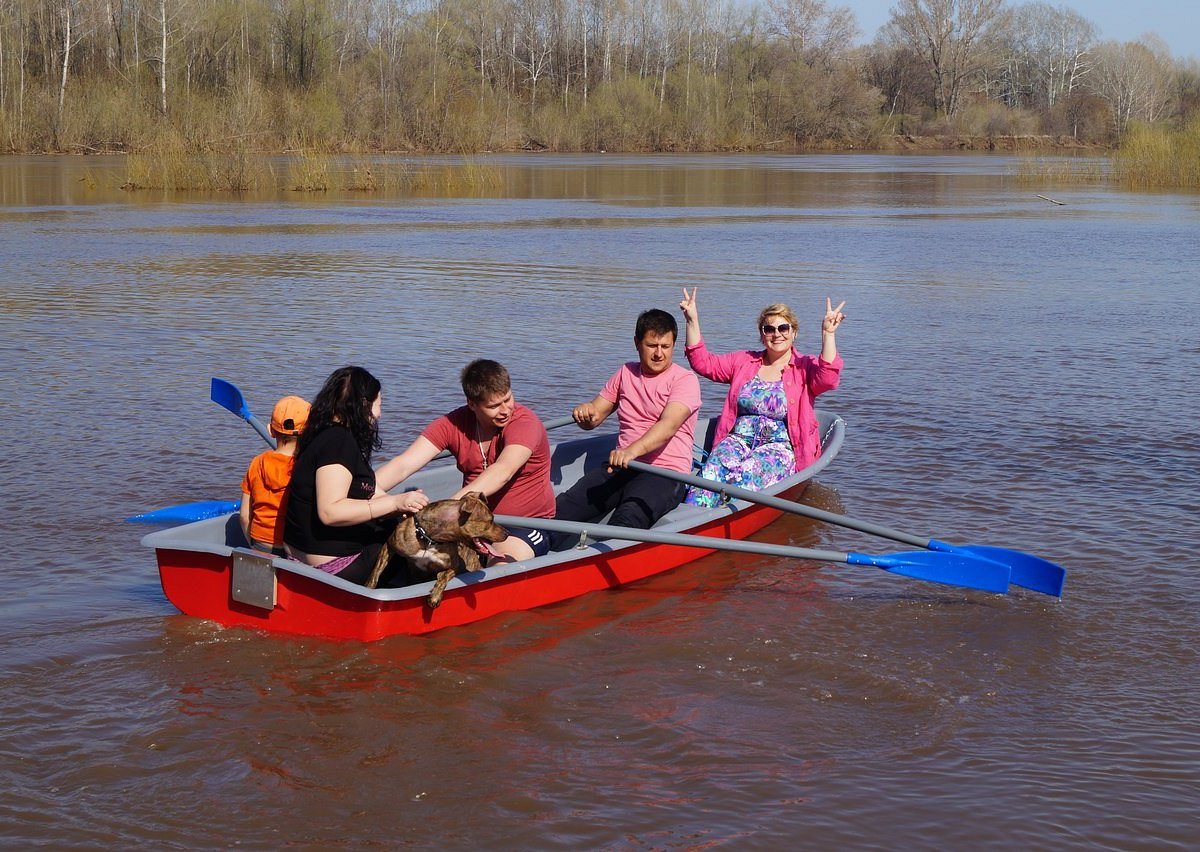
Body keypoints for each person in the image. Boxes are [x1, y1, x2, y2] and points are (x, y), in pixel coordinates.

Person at [550, 308, 701, 550]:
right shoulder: (625, 373)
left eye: (666, 346)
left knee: (628, 517)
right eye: (652, 345)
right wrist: (585, 413)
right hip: (621, 466)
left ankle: (603, 568)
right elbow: (595, 416)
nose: (659, 353)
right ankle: (522, 556)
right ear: (637, 343)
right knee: (565, 507)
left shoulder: (684, 380)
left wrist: (631, 451)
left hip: (665, 473)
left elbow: (668, 426)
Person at [375, 359, 554, 563]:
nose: (506, 410)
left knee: (499, 568)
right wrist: (367, 490)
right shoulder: (453, 424)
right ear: (472, 404)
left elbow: (502, 471)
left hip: (523, 526)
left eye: (508, 399)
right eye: (494, 406)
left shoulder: (524, 423)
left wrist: (446, 511)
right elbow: (403, 465)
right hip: (467, 524)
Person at [678, 288, 844, 507]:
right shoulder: (744, 361)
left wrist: (828, 335)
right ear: (762, 334)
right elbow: (703, 363)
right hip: (737, 440)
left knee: (745, 479)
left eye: (783, 328)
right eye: (769, 329)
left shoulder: (804, 367)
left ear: (794, 332)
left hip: (780, 447)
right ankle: (691, 521)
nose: (777, 334)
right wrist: (692, 320)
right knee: (710, 476)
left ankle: (728, 520)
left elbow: (828, 379)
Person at [283, 366, 428, 585]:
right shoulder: (338, 442)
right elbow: (330, 511)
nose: (379, 414)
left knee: (393, 521)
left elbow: (362, 490)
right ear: (363, 405)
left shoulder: (319, 435)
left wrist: (400, 504)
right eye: (378, 405)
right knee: (410, 544)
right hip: (330, 567)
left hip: (298, 558)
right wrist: (395, 503)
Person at [239, 395, 311, 555]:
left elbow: (244, 516)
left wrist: (252, 544)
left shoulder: (256, 463)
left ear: (270, 430)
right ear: (308, 434)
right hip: (292, 548)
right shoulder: (305, 467)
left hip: (259, 543)